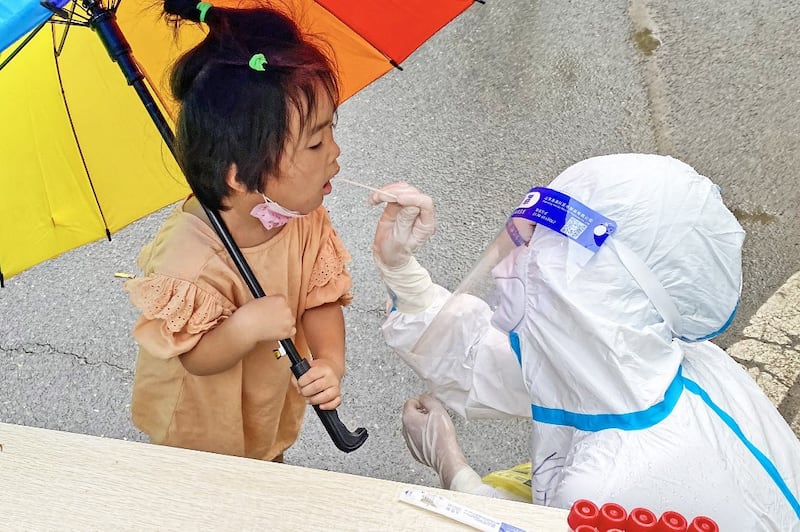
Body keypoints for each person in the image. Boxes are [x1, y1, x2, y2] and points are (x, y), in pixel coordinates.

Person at [369, 154, 800, 530]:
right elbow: (489, 362)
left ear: (597, 290)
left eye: (537, 252)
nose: (506, 265)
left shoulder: (607, 486)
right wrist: (401, 270)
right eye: (523, 236)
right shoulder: (666, 363)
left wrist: (453, 469)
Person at [124, 1, 352, 462]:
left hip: (262, 403)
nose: (335, 151)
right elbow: (194, 356)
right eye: (314, 142)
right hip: (199, 426)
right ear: (240, 176)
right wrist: (243, 327)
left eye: (331, 131)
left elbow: (320, 299)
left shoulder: (301, 216)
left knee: (263, 453)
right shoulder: (189, 259)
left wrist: (330, 362)